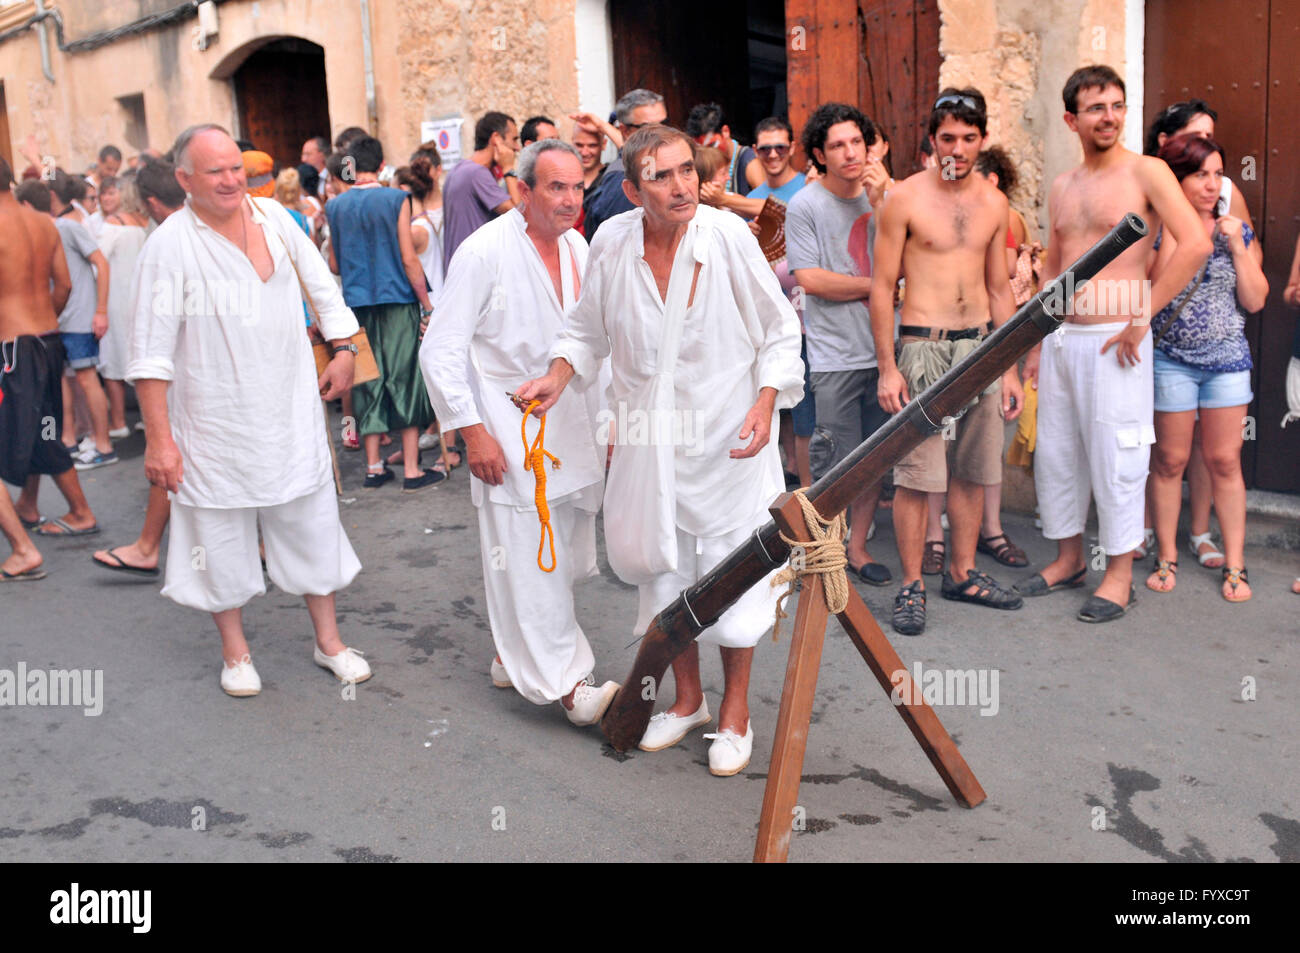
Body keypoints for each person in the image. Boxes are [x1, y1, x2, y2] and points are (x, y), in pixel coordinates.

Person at [519, 124, 804, 776]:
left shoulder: (727, 237)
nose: (682, 187)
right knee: (665, 566)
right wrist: (556, 378)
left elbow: (778, 328)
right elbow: (586, 329)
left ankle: (735, 710)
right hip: (653, 443)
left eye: (687, 170)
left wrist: (766, 403)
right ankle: (688, 699)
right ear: (630, 189)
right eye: (662, 176)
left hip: (731, 435)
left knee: (735, 570)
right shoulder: (613, 241)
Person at [127, 124, 370, 695]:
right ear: (185, 180)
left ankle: (329, 641)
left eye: (236, 167)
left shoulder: (276, 220)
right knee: (219, 535)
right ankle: (235, 653)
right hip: (213, 425)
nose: (233, 179)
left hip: (291, 412)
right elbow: (150, 357)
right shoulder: (168, 247)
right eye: (216, 171)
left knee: (312, 526)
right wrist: (161, 443)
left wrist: (343, 348)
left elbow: (325, 289)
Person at [421, 139, 619, 724]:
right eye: (556, 187)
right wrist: (472, 433)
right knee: (531, 558)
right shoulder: (483, 253)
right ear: (521, 190)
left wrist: (607, 421)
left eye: (578, 187)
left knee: (561, 556)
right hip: (507, 427)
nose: (570, 199)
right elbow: (442, 349)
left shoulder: (581, 248)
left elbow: (595, 346)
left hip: (574, 423)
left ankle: (514, 654)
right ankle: (569, 686)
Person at [1016, 65, 1212, 622]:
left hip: (1118, 338)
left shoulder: (1147, 171)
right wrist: (1036, 342)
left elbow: (1194, 244)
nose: (1110, 116)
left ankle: (1120, 573)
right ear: (1071, 118)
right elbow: (1056, 267)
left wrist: (1142, 315)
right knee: (1058, 452)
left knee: (1119, 454)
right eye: (1097, 107)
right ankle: (1069, 558)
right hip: (1063, 338)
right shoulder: (1062, 184)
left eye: (1118, 105)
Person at [870, 88, 1025, 636]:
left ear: (982, 140)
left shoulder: (993, 202)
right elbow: (882, 286)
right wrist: (888, 367)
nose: (956, 148)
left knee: (973, 470)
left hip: (981, 347)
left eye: (967, 137)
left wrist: (1010, 367)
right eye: (946, 138)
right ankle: (913, 584)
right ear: (931, 140)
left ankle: (961, 571)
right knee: (917, 476)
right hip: (922, 348)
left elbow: (1000, 288)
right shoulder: (903, 198)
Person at [1145, 134, 1267, 603]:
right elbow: (1151, 286)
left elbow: (1255, 300)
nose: (1212, 184)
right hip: (1171, 359)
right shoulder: (1160, 228)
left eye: (1218, 174)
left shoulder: (1236, 230)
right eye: (1200, 174)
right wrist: (1180, 238)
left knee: (1223, 460)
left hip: (1227, 362)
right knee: (1171, 460)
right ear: (1178, 181)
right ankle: (1167, 555)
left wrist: (1237, 245)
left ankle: (1236, 564)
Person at [785, 102, 892, 585]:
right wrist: (879, 286)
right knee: (834, 460)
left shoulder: (886, 197)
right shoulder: (806, 205)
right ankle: (820, 549)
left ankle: (858, 548)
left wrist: (886, 200)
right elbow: (808, 278)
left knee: (873, 460)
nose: (850, 153)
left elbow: (913, 258)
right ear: (819, 155)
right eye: (837, 145)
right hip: (833, 355)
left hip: (887, 352)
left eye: (857, 142)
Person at [327, 135, 443, 490]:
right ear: (381, 165)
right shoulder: (397, 199)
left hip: (357, 304)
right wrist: (426, 303)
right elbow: (409, 259)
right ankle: (411, 469)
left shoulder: (335, 207)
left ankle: (373, 467)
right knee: (403, 377)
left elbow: (333, 262)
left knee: (366, 380)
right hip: (396, 300)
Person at [91, 158, 187, 578]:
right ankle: (260, 543)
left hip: (188, 373)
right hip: (215, 370)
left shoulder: (167, 241)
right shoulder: (211, 230)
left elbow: (155, 333)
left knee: (171, 458)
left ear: (151, 202)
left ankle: (148, 547)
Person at [0, 160, 99, 543]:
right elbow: (65, 286)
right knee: (44, 427)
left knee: (33, 430)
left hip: (14, 347)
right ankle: (29, 503)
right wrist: (43, 321)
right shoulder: (44, 222)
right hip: (47, 339)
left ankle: (80, 512)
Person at [747, 117, 812, 489]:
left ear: (793, 148)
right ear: (755, 152)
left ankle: (810, 493)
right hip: (769, 319)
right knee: (779, 404)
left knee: (807, 412)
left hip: (809, 319)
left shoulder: (809, 190)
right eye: (764, 149)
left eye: (780, 148)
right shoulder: (750, 202)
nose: (773, 154)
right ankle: (787, 483)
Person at [48, 170, 117, 470]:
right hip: (62, 318)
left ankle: (104, 445)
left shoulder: (69, 225)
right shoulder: (56, 225)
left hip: (79, 318)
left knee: (88, 380)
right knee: (65, 381)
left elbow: (101, 263)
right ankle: (71, 439)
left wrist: (100, 310)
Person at [96, 170, 149, 439]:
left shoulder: (113, 224)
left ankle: (118, 421)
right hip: (142, 297)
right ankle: (146, 416)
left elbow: (97, 264)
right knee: (141, 357)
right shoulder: (146, 223)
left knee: (114, 361)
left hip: (116, 299)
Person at [579, 89, 666, 241]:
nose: (661, 134)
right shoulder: (623, 181)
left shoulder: (648, 162)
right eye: (649, 128)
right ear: (625, 131)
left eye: (664, 124)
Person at [441, 112, 522, 270]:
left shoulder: (458, 170)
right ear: (496, 139)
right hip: (473, 272)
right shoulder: (477, 173)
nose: (517, 147)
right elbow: (519, 215)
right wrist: (508, 168)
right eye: (514, 139)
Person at [572, 121, 606, 236]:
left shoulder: (611, 179)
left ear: (604, 144)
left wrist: (604, 127)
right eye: (579, 145)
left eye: (592, 145)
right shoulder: (564, 179)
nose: (585, 152)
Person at [301, 135, 330, 199]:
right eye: (303, 154)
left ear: (322, 154)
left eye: (308, 154)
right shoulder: (302, 179)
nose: (303, 159)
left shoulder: (332, 177)